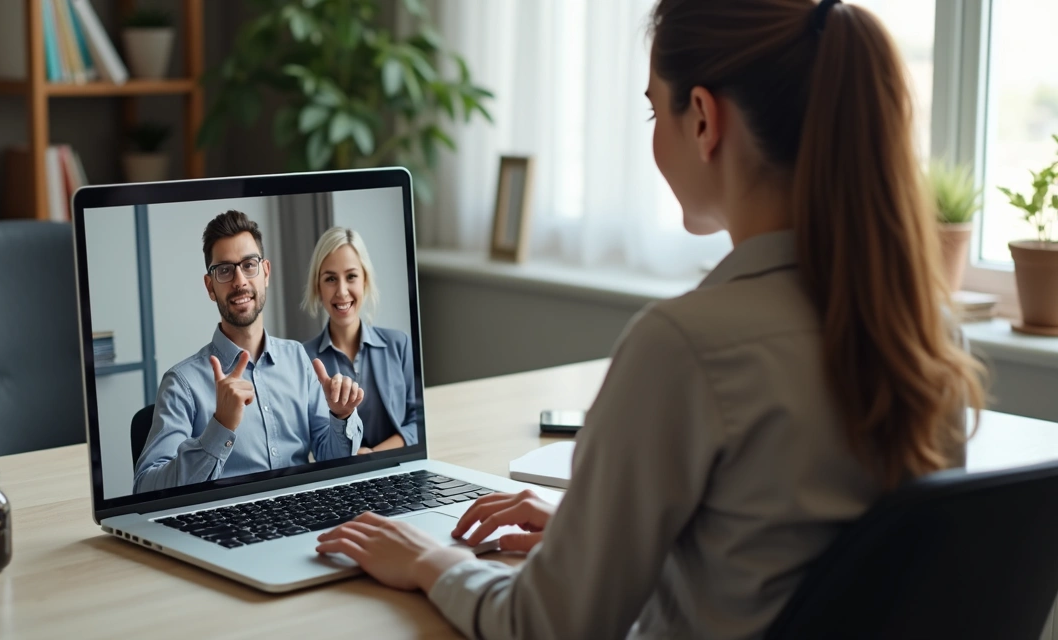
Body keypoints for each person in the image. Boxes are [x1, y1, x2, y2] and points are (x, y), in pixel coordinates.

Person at [311, 1, 986, 638]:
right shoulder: (925, 334)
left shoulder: (688, 347)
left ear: (702, 119)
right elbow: (791, 564)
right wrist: (597, 540)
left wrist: (431, 562)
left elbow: (543, 627)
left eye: (652, 114)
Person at [134, 211, 365, 493]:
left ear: (265, 272)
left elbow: (332, 462)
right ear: (210, 287)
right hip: (225, 528)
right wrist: (220, 427)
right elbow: (146, 488)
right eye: (224, 270)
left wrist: (340, 417)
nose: (239, 281)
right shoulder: (182, 384)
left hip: (303, 514)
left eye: (249, 265)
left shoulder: (297, 359)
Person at [302, 227, 420, 454]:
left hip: (399, 470)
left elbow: (418, 423)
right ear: (318, 286)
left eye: (351, 276)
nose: (342, 291)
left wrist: (373, 456)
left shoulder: (399, 345)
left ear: (365, 279)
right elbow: (315, 441)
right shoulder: (305, 359)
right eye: (330, 279)